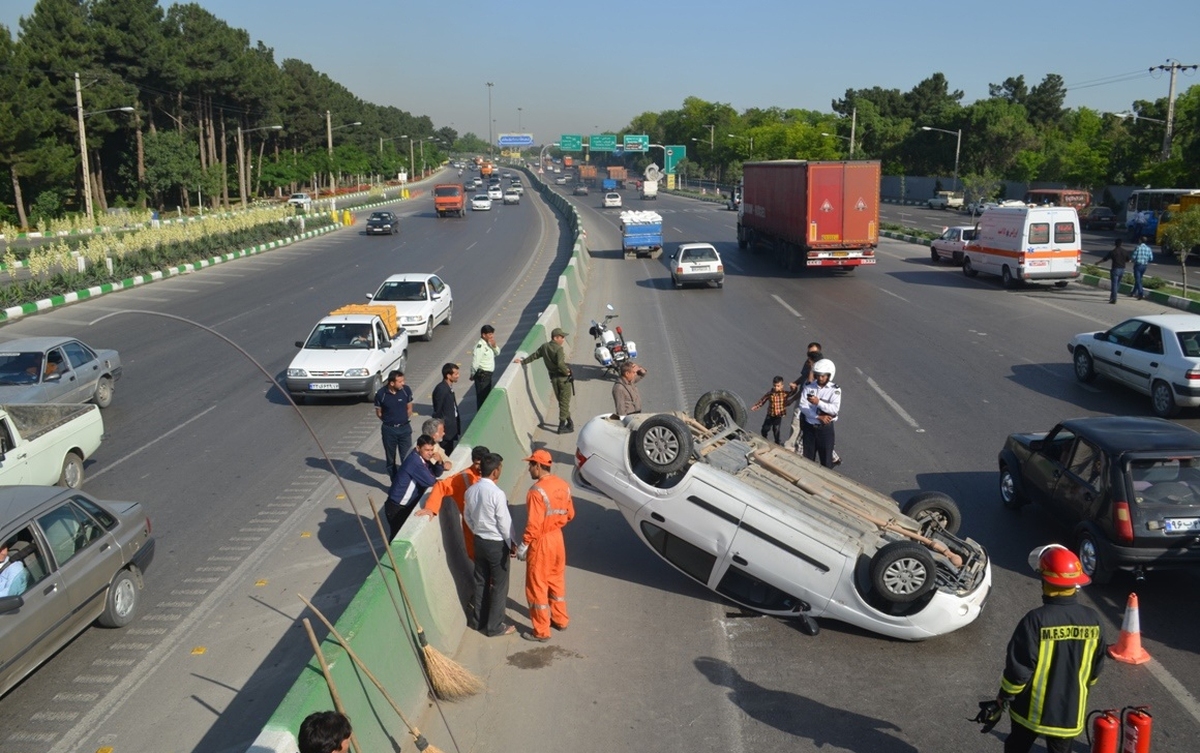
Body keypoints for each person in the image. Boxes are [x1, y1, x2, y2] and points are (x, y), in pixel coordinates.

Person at [976, 544, 1104, 753]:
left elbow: (1018, 670)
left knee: (1017, 747)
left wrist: (1003, 697)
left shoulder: (1036, 620)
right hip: (1070, 712)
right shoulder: (1094, 620)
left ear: (1046, 581)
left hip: (1031, 713)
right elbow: (1095, 670)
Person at [516, 449, 576, 642]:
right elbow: (570, 514)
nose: (529, 468)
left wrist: (524, 544)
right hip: (558, 539)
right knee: (556, 581)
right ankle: (560, 619)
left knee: (537, 586)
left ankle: (541, 630)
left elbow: (533, 524)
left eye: (531, 464)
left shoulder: (536, 492)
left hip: (541, 542)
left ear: (539, 466)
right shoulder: (563, 485)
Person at [464, 453, 517, 637]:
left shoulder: (471, 491)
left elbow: (467, 517)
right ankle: (495, 626)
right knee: (500, 585)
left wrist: (477, 531)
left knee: (481, 581)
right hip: (496, 544)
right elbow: (504, 522)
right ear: (495, 471)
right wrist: (511, 543)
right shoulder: (497, 494)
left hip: (479, 541)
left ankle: (478, 621)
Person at [415, 444, 490, 559]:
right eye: (477, 464)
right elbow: (441, 486)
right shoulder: (462, 478)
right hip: (472, 527)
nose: (480, 467)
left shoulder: (490, 472)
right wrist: (430, 508)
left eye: (482, 464)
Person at [383, 434, 445, 541]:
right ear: (418, 448)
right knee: (397, 537)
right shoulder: (415, 461)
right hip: (397, 507)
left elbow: (435, 473)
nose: (430, 453)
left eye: (431, 450)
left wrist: (439, 461)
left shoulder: (422, 458)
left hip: (405, 506)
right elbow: (431, 481)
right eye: (427, 450)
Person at [516, 327, 573, 433]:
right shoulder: (559, 349)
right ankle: (561, 426)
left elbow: (535, 355)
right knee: (564, 402)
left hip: (554, 379)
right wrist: (567, 372)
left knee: (562, 402)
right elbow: (560, 364)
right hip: (563, 379)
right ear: (556, 338)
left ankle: (570, 422)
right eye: (562, 337)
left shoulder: (545, 347)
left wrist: (523, 362)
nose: (563, 340)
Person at [799, 359, 841, 468]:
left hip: (825, 430)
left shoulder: (834, 390)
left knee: (826, 460)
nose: (820, 378)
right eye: (818, 375)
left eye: (823, 376)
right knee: (808, 460)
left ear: (829, 375)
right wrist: (818, 416)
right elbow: (803, 406)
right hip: (809, 428)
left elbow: (834, 409)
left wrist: (819, 403)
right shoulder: (809, 387)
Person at [374, 370, 414, 479]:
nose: (403, 383)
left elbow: (409, 408)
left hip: (405, 429)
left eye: (403, 381)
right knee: (390, 458)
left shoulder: (406, 390)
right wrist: (390, 422)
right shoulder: (381, 394)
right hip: (389, 431)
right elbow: (379, 413)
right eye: (400, 381)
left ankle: (406, 481)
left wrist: (402, 420)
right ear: (392, 383)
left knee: (406, 457)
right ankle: (394, 481)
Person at [786, 343, 824, 452]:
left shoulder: (820, 368)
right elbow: (803, 378)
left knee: (798, 422)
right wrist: (796, 383)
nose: (809, 356)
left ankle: (790, 447)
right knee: (797, 422)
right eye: (808, 353)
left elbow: (809, 384)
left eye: (812, 353)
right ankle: (794, 446)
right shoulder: (808, 362)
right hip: (803, 396)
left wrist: (812, 368)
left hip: (809, 401)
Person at [431, 363, 461, 455]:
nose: (458, 376)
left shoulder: (448, 387)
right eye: (455, 374)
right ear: (448, 375)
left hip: (451, 428)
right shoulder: (441, 389)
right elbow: (438, 411)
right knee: (446, 452)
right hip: (446, 430)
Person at [751, 376, 789, 444]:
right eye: (774, 386)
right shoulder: (770, 393)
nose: (776, 388)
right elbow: (763, 400)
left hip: (778, 415)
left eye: (778, 386)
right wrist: (756, 406)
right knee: (764, 429)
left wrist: (794, 388)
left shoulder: (784, 394)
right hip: (770, 414)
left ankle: (777, 443)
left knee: (776, 430)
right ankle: (764, 439)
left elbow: (792, 393)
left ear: (782, 386)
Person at [472, 325, 501, 408]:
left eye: (492, 334)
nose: (491, 336)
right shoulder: (480, 346)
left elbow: (497, 353)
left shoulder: (489, 344)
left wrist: (494, 346)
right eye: (489, 334)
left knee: (486, 397)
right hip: (482, 376)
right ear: (483, 335)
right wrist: (472, 374)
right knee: (482, 400)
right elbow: (475, 363)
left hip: (488, 376)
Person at [1098, 239, 1131, 304]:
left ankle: (1114, 298)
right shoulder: (1125, 251)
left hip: (1115, 269)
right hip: (1122, 269)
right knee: (1117, 284)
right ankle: (1112, 297)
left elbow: (1105, 259)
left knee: (1114, 284)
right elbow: (1129, 260)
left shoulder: (1112, 252)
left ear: (1115, 244)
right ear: (1121, 244)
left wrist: (1098, 262)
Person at [1130, 236, 1154, 301]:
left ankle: (1141, 293)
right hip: (1144, 266)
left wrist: (1131, 260)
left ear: (1140, 240)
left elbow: (1134, 256)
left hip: (1138, 265)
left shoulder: (1138, 247)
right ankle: (1133, 292)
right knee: (1139, 279)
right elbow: (1151, 258)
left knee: (1138, 280)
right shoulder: (1148, 248)